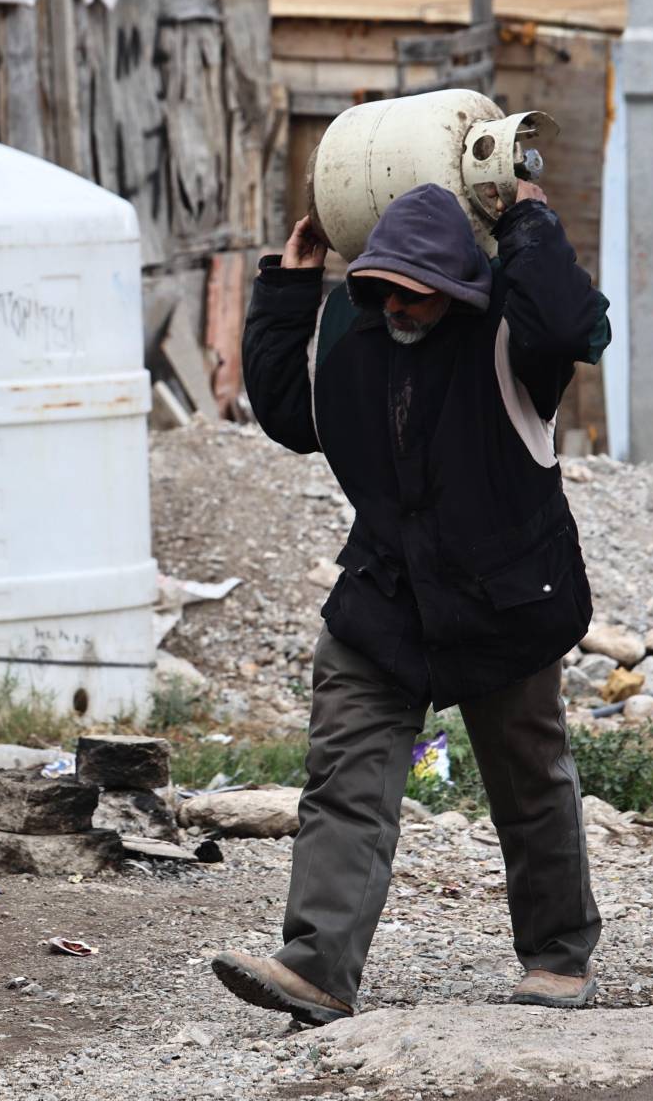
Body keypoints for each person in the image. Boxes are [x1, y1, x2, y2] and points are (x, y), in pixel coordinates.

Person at [211, 180, 612, 1024]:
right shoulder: (355, 331)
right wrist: (290, 285)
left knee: (529, 778)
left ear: (458, 289)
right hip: (389, 593)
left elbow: (573, 326)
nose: (396, 304)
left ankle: (558, 955)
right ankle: (317, 969)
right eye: (383, 288)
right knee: (344, 776)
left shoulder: (511, 338)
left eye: (416, 293)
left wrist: (529, 221)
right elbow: (286, 413)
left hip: (505, 597)